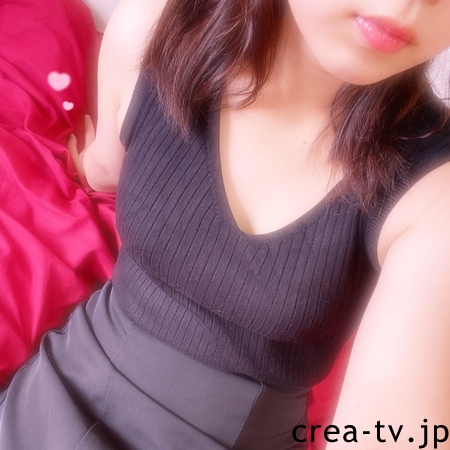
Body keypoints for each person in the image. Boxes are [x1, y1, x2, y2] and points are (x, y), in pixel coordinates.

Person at [1, 0, 450, 449]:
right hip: (50, 400)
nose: (409, 5)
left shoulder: (436, 190)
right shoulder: (153, 28)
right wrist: (86, 160)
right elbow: (105, 166)